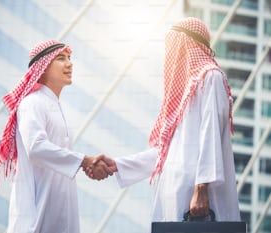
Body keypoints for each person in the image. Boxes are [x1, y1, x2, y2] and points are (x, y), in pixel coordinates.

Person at [89, 17, 241, 222]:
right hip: (173, 193)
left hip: (198, 198)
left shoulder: (210, 77)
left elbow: (211, 134)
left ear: (187, 44)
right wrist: (117, 164)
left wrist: (202, 187)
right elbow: (164, 154)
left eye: (173, 46)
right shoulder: (180, 97)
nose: (170, 54)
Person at [0, 40, 114, 233]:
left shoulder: (56, 106)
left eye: (70, 58)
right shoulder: (32, 103)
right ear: (43, 67)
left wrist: (84, 164)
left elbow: (58, 156)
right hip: (36, 218)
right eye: (61, 59)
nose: (70, 64)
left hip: (60, 216)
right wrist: (84, 161)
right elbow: (36, 148)